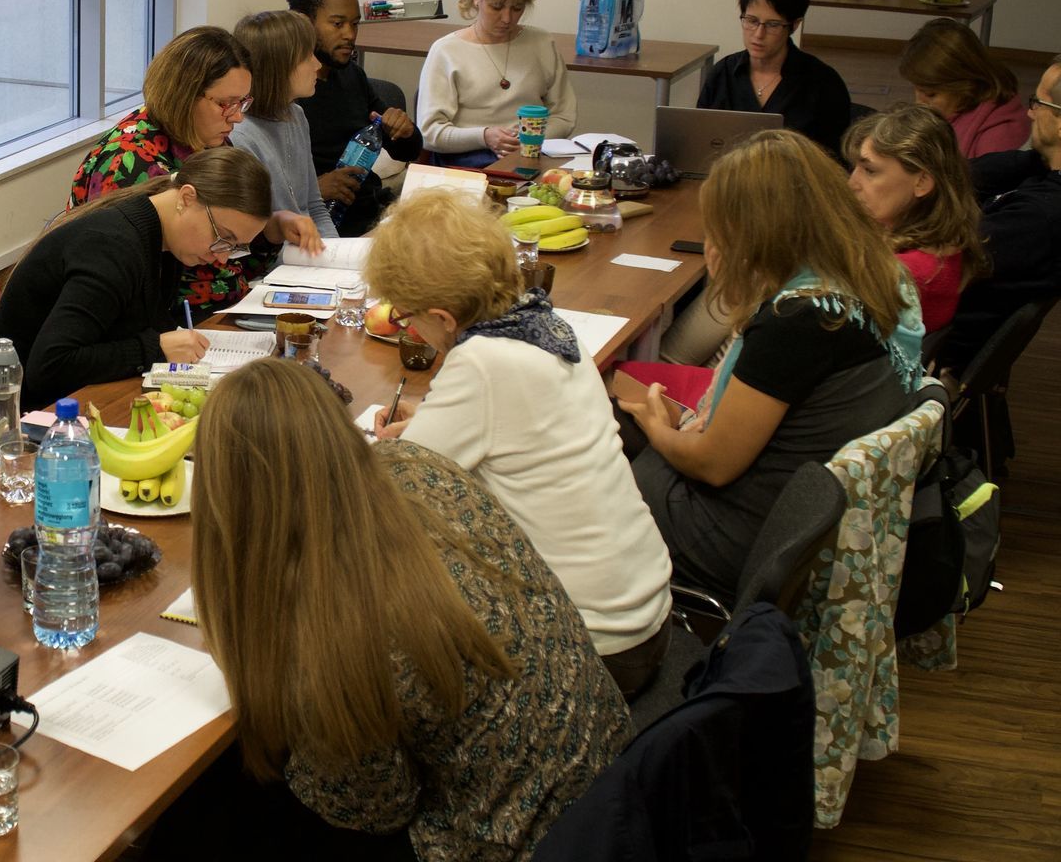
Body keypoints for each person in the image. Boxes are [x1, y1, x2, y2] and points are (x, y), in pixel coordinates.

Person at [184, 359, 628, 860]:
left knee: (216, 813)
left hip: (518, 840)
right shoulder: (418, 464)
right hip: (614, 778)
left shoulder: (333, 633)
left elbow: (373, 811)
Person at [366, 191, 672, 697]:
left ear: (443, 318)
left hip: (588, 652)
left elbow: (391, 493)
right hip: (642, 615)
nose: (408, 327)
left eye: (407, 316)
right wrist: (431, 421)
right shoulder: (546, 326)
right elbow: (519, 431)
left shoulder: (482, 363)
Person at [619, 130, 923, 604]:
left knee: (591, 454)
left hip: (734, 539)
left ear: (757, 230)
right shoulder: (875, 276)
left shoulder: (798, 321)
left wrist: (659, 430)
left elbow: (713, 465)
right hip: (799, 519)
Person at [0, 148, 291, 424]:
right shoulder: (112, 249)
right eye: (223, 238)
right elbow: (50, 365)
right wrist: (154, 348)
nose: (221, 257)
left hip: (78, 397)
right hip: (20, 423)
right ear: (186, 198)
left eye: (235, 247)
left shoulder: (165, 239)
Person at [70, 25, 316, 309]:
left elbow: (223, 246)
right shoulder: (127, 164)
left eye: (242, 103)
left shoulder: (208, 140)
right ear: (183, 94)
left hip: (223, 310)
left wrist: (272, 229)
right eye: (226, 103)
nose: (237, 117)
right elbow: (126, 288)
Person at [288, 0, 423, 235]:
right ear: (303, 22)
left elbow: (408, 151)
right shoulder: (284, 92)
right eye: (337, 24)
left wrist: (404, 131)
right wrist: (315, 189)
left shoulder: (352, 76)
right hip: (323, 223)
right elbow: (266, 189)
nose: (350, 34)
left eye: (355, 24)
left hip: (371, 212)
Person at [943, 57, 1061, 366]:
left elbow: (941, 263)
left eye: (1038, 103)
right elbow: (970, 174)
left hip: (932, 352)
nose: (1029, 113)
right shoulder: (1037, 168)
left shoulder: (1036, 219)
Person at [417, 0, 578, 168]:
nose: (507, 18)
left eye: (517, 8)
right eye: (497, 6)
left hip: (530, 156)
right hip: (467, 162)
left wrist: (529, 139)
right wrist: (484, 136)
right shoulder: (447, 51)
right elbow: (429, 133)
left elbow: (564, 116)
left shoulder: (541, 43)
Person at [843, 105, 985, 335]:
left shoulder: (908, 274)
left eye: (870, 171)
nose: (852, 183)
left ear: (922, 183)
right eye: (854, 168)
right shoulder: (935, 238)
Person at [697, 0, 851, 156]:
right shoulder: (722, 73)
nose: (758, 34)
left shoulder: (823, 83)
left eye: (772, 25)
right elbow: (701, 144)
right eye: (751, 21)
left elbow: (834, 162)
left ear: (794, 25)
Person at [229, 9, 339, 239]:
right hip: (274, 264)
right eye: (307, 56)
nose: (317, 64)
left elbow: (314, 207)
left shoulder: (296, 115)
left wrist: (334, 255)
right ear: (279, 68)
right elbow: (252, 237)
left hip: (308, 258)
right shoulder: (239, 137)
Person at [897, 17, 1028, 158]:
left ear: (964, 85)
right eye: (916, 89)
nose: (919, 103)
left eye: (930, 95)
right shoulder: (952, 109)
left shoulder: (999, 137)